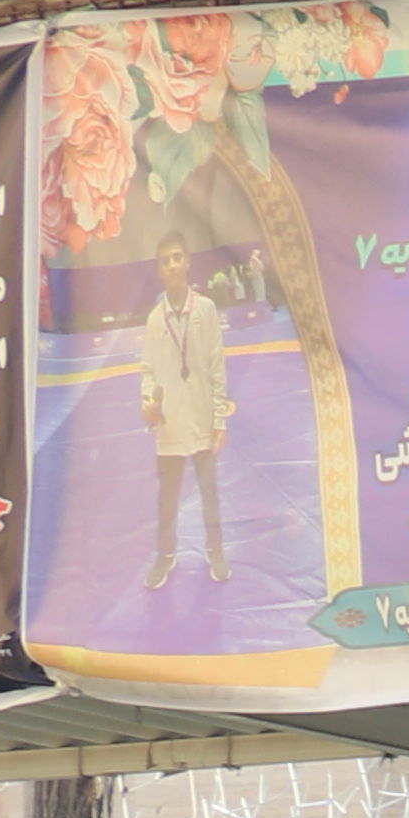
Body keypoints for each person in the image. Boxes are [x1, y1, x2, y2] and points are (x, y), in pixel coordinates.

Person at [140, 240, 229, 590]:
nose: (173, 265)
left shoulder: (205, 309)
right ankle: (165, 555)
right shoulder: (153, 319)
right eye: (165, 261)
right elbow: (148, 370)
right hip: (169, 424)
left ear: (188, 262)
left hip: (203, 418)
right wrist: (149, 403)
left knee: (209, 492)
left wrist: (219, 419)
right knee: (168, 499)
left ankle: (216, 550)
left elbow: (216, 366)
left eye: (178, 257)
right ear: (159, 270)